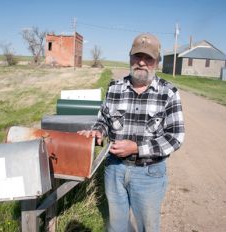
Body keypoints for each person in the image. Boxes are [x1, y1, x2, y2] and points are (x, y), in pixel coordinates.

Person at [78, 33, 185, 232]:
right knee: (117, 225)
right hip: (114, 170)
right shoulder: (114, 88)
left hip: (149, 173)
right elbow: (103, 120)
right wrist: (98, 132)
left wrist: (137, 148)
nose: (141, 62)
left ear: (157, 62)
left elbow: (175, 137)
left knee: (148, 226)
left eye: (148, 58)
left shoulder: (168, 93)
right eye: (137, 56)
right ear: (130, 57)